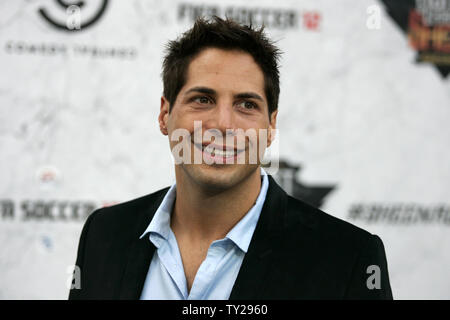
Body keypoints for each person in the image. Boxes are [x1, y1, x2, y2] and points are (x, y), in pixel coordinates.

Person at [68, 16, 393, 300]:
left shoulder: (348, 258)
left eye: (247, 105)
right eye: (203, 99)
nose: (223, 124)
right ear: (165, 114)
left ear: (271, 126)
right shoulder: (104, 234)